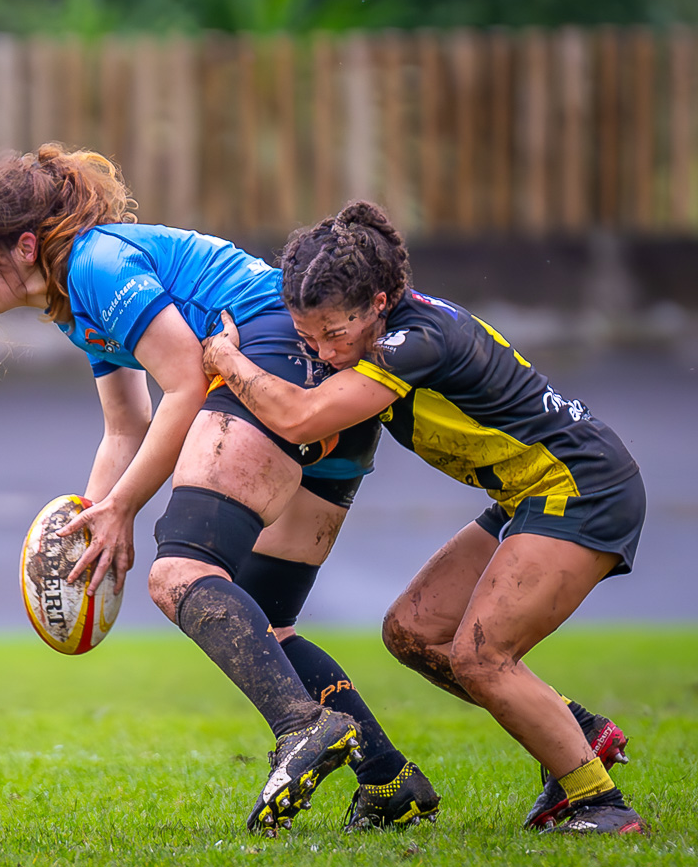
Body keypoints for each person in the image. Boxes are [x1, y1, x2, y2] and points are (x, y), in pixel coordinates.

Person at [0, 144, 435, 834]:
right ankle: (388, 780)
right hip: (313, 384)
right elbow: (126, 426)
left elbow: (184, 384)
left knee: (179, 573)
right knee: (261, 617)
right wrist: (92, 521)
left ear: (23, 246)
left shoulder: (94, 266)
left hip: (272, 356)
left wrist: (125, 510)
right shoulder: (74, 296)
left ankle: (302, 727)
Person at [201, 201, 644, 834]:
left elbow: (301, 417)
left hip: (581, 487)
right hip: (529, 493)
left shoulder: (416, 343)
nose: (323, 353)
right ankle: (581, 733)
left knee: (480, 658)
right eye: (308, 337)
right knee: (411, 631)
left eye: (335, 333)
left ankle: (600, 804)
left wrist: (228, 360)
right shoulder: (387, 329)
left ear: (379, 302)